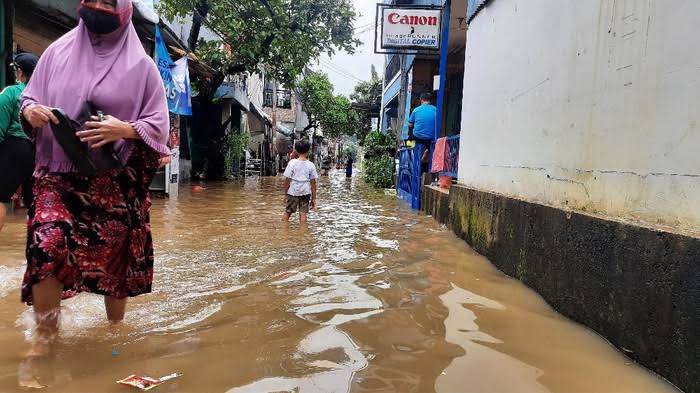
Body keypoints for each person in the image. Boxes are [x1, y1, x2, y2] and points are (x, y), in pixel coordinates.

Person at [19, 0, 170, 356]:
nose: (98, 7)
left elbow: (159, 124)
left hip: (112, 180)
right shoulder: (56, 52)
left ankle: (115, 330)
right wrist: (32, 110)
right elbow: (29, 97)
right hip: (58, 175)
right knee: (47, 242)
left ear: (124, 10)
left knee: (114, 256)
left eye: (108, 2)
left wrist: (126, 129)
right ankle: (43, 342)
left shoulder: (142, 67)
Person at [0, 52, 39, 232]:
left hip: (14, 149)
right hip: (39, 152)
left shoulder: (12, 93)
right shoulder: (44, 95)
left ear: (20, 72)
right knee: (36, 204)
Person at [283, 140, 318, 224]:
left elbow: (287, 180)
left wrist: (285, 194)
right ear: (308, 151)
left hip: (293, 191)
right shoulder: (311, 165)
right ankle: (302, 233)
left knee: (288, 212)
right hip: (305, 191)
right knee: (303, 214)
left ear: (296, 151)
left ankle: (284, 230)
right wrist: (314, 198)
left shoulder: (292, 163)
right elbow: (313, 183)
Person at [407, 92, 437, 165]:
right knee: (432, 148)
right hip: (431, 137)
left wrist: (410, 136)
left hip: (418, 137)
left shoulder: (416, 110)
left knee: (410, 143)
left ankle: (416, 162)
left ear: (421, 100)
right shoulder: (436, 109)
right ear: (430, 100)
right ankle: (427, 152)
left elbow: (410, 125)